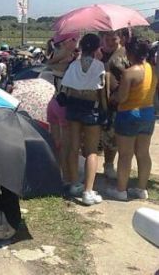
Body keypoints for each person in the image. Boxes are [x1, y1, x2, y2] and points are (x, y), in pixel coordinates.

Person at [106, 38, 158, 201]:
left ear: (130, 53)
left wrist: (112, 95)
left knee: (125, 155)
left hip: (128, 115)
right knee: (143, 153)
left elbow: (121, 98)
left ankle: (121, 190)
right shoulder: (152, 69)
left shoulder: (129, 73)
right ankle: (141, 189)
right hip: (148, 114)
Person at [61, 33, 107, 206]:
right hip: (91, 108)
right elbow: (102, 91)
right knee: (91, 151)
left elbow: (67, 87)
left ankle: (74, 184)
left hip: (73, 107)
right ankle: (88, 191)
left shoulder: (73, 65)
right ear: (97, 48)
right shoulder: (99, 65)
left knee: (73, 147)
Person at [45, 33, 79, 187]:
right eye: (74, 40)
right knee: (66, 146)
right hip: (64, 104)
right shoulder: (70, 61)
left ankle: (54, 172)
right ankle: (66, 178)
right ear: (66, 42)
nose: (77, 42)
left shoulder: (54, 56)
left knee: (55, 143)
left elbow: (49, 64)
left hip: (53, 102)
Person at [99, 30, 130, 179]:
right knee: (97, 137)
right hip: (98, 101)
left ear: (120, 38)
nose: (110, 42)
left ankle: (109, 164)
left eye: (114, 39)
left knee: (112, 138)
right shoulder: (98, 53)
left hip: (117, 103)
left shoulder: (126, 54)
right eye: (107, 39)